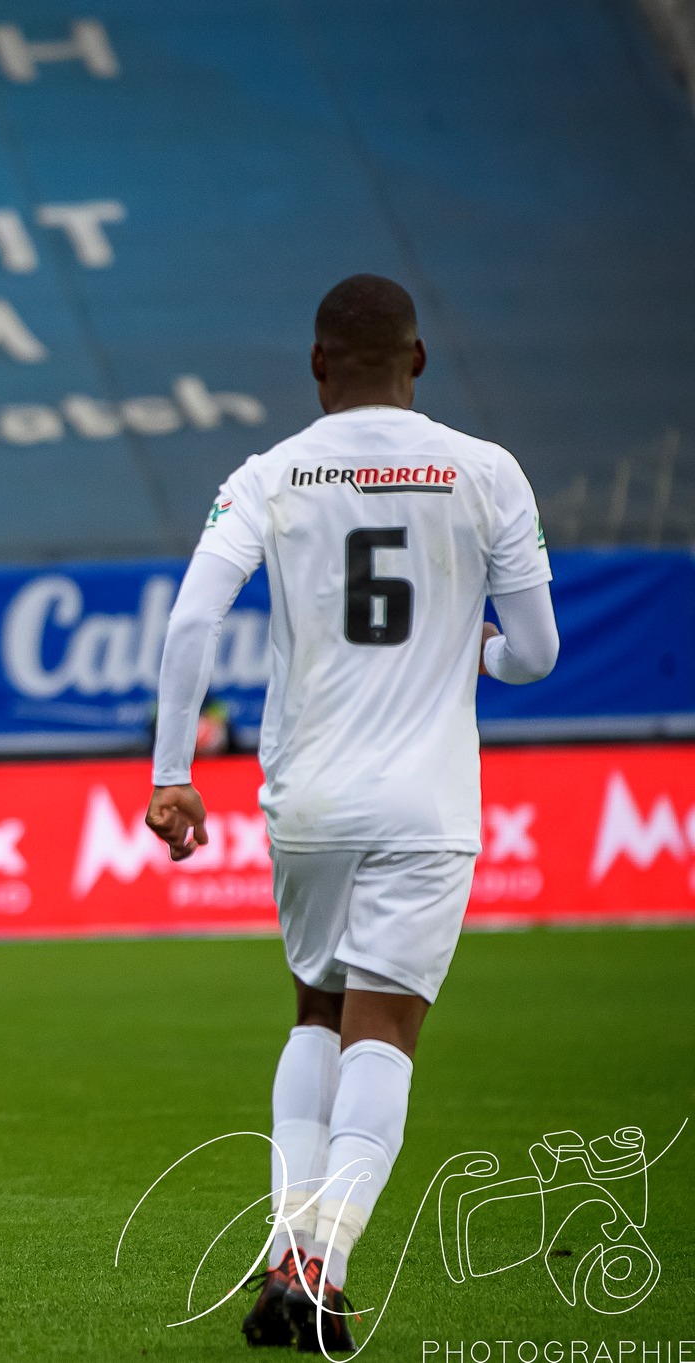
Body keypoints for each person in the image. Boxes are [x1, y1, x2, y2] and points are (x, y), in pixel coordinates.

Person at [143, 274, 558, 1351]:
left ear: (317, 364)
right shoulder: (485, 471)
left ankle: (288, 1239)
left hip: (307, 796)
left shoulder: (269, 472)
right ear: (416, 361)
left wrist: (171, 770)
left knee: (315, 1015)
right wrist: (479, 653)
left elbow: (191, 619)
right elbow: (537, 652)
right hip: (425, 802)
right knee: (385, 1032)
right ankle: (317, 1256)